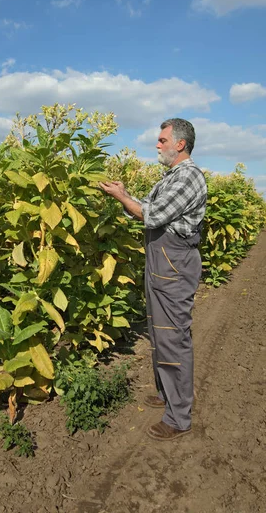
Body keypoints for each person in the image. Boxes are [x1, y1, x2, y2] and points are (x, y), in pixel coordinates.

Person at [99, 118, 207, 441]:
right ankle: (166, 393)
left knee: (173, 335)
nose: (157, 145)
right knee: (158, 331)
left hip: (174, 264)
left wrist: (122, 198)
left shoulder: (189, 177)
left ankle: (178, 417)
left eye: (162, 140)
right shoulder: (171, 177)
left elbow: (152, 215)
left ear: (180, 144)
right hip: (161, 261)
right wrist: (124, 194)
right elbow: (147, 206)